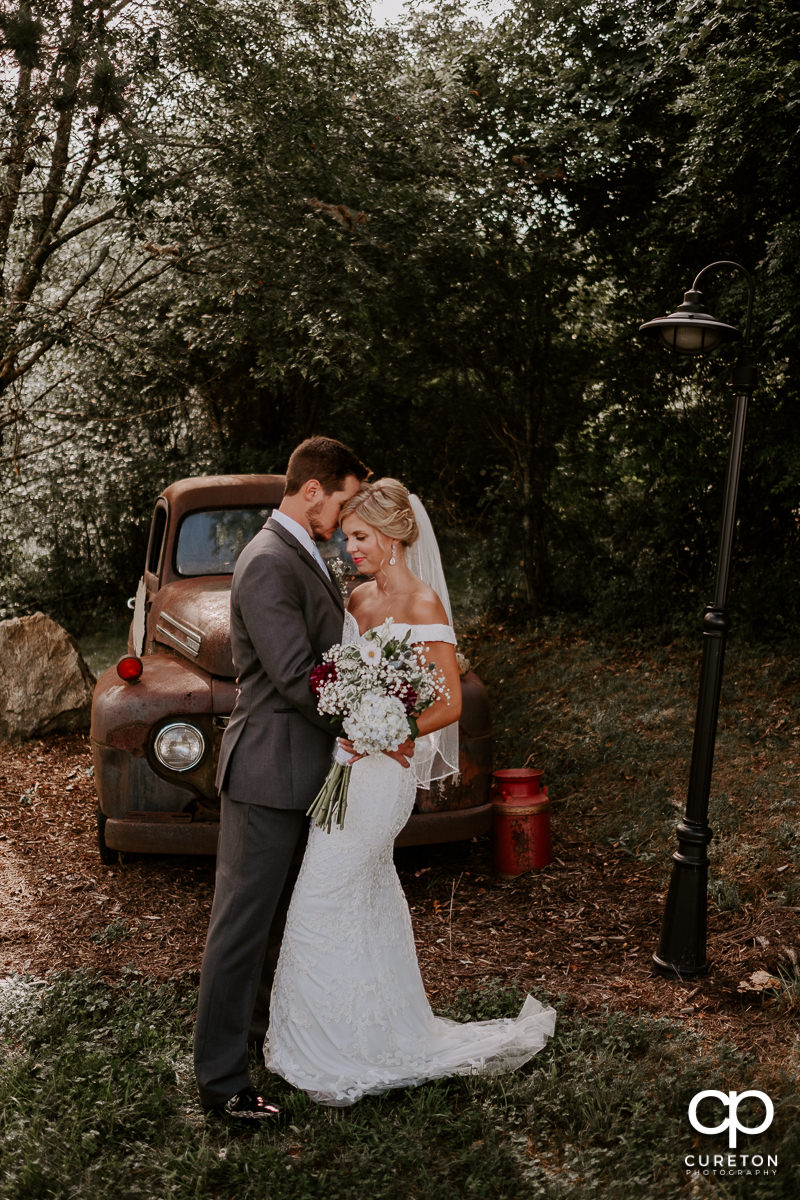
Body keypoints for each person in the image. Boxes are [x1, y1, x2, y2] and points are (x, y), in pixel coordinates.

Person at [264, 479, 556, 1106]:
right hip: (344, 766)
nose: (350, 550)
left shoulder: (423, 605)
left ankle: (339, 1044)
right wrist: (350, 722)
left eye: (361, 537)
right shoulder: (358, 599)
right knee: (359, 897)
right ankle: (361, 1032)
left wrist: (388, 729)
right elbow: (341, 676)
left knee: (324, 891)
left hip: (382, 775)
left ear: (394, 536)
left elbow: (448, 701)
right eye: (346, 538)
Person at [194, 436, 370, 1124]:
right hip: (268, 772)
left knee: (272, 928)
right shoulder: (269, 560)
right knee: (240, 929)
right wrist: (370, 720)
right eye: (344, 501)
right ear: (312, 490)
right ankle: (221, 1082)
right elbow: (299, 675)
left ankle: (264, 1045)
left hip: (298, 772)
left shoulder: (303, 553)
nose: (343, 516)